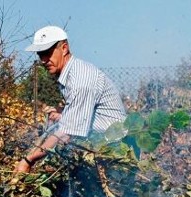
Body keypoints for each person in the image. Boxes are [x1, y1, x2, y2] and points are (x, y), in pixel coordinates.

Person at [15, 25, 127, 173]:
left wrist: (28, 160)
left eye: (47, 53)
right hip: (102, 144)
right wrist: (63, 114)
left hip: (119, 149)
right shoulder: (72, 73)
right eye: (40, 55)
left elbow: (66, 133)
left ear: (64, 48)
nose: (43, 60)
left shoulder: (80, 79)